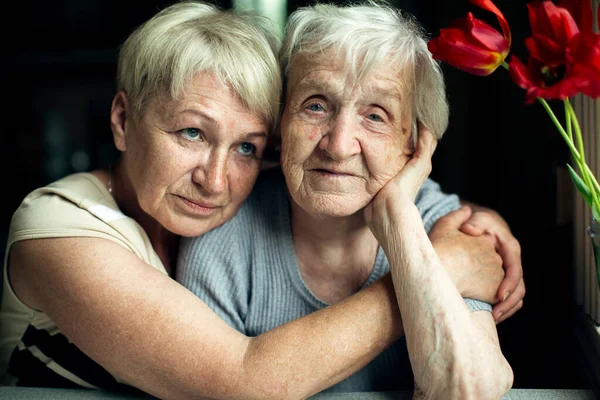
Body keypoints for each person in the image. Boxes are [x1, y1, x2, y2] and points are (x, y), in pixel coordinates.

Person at [0, 0, 521, 398]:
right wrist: (433, 267)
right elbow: (239, 381)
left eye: (246, 146)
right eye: (191, 134)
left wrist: (433, 225)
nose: (217, 179)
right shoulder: (57, 228)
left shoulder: (213, 207)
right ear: (122, 120)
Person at [178, 1, 514, 398]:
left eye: (376, 116)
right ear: (281, 123)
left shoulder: (445, 228)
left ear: (415, 144)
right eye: (316, 105)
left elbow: (468, 390)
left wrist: (400, 225)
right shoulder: (224, 237)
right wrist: (435, 272)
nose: (338, 146)